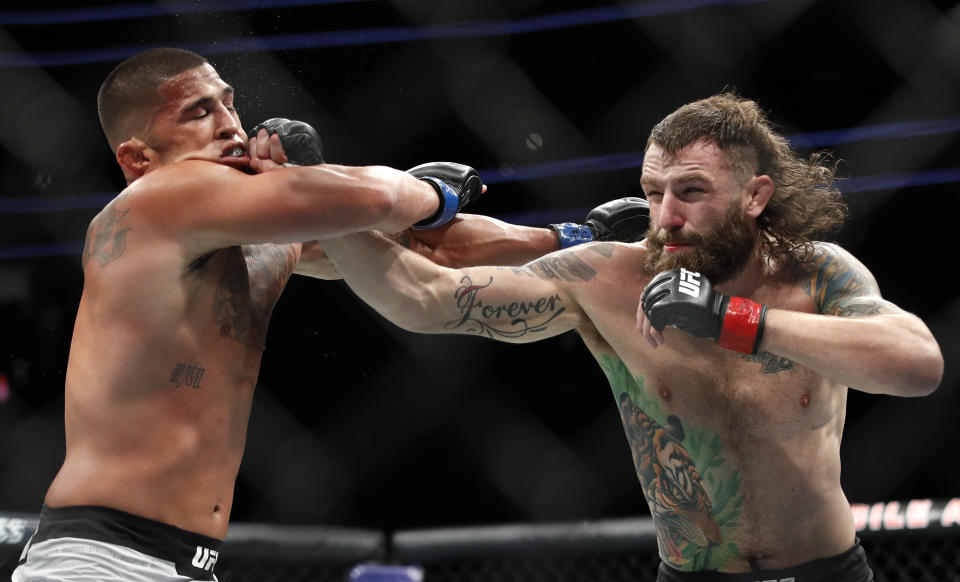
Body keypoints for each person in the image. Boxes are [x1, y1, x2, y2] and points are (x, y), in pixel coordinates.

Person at [11, 46, 605, 582]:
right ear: (138, 157)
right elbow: (377, 199)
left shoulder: (253, 238)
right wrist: (431, 194)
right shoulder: (155, 201)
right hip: (100, 560)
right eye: (198, 113)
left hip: (184, 564)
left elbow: (420, 244)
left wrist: (566, 238)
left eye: (229, 104)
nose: (229, 126)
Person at [317, 93, 944, 581]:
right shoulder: (610, 277)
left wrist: (734, 320)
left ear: (755, 196)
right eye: (653, 192)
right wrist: (321, 193)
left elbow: (918, 364)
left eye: (692, 192)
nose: (666, 215)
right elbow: (421, 298)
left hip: (825, 572)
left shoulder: (816, 272)